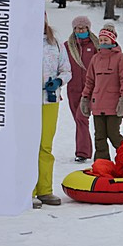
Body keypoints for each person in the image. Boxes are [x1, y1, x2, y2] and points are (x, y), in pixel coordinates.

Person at [34, 15, 72, 208]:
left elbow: (67, 70)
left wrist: (58, 81)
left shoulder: (54, 43)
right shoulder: (21, 40)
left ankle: (44, 189)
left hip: (49, 100)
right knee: (28, 146)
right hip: (26, 102)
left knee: (45, 146)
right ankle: (27, 190)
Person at [80, 24, 123, 161]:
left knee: (113, 134)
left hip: (114, 105)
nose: (103, 42)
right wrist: (85, 98)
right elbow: (90, 81)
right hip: (98, 104)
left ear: (113, 40)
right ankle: (102, 163)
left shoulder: (121, 58)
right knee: (100, 136)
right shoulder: (95, 59)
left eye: (106, 40)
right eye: (101, 40)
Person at [65, 16, 99, 163]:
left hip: (91, 89)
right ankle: (84, 151)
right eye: (78, 28)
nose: (81, 30)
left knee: (81, 118)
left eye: (83, 28)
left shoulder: (96, 45)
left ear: (88, 29)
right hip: (73, 89)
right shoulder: (67, 46)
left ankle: (83, 152)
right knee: (79, 121)